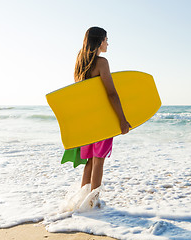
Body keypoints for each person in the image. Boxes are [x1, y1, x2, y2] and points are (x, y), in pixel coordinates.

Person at [69, 27, 131, 209]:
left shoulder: (80, 63)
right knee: (99, 160)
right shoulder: (102, 62)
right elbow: (111, 94)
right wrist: (122, 119)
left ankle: (82, 200)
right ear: (99, 41)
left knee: (89, 161)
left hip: (86, 119)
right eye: (106, 39)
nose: (107, 43)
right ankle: (92, 204)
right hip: (102, 119)